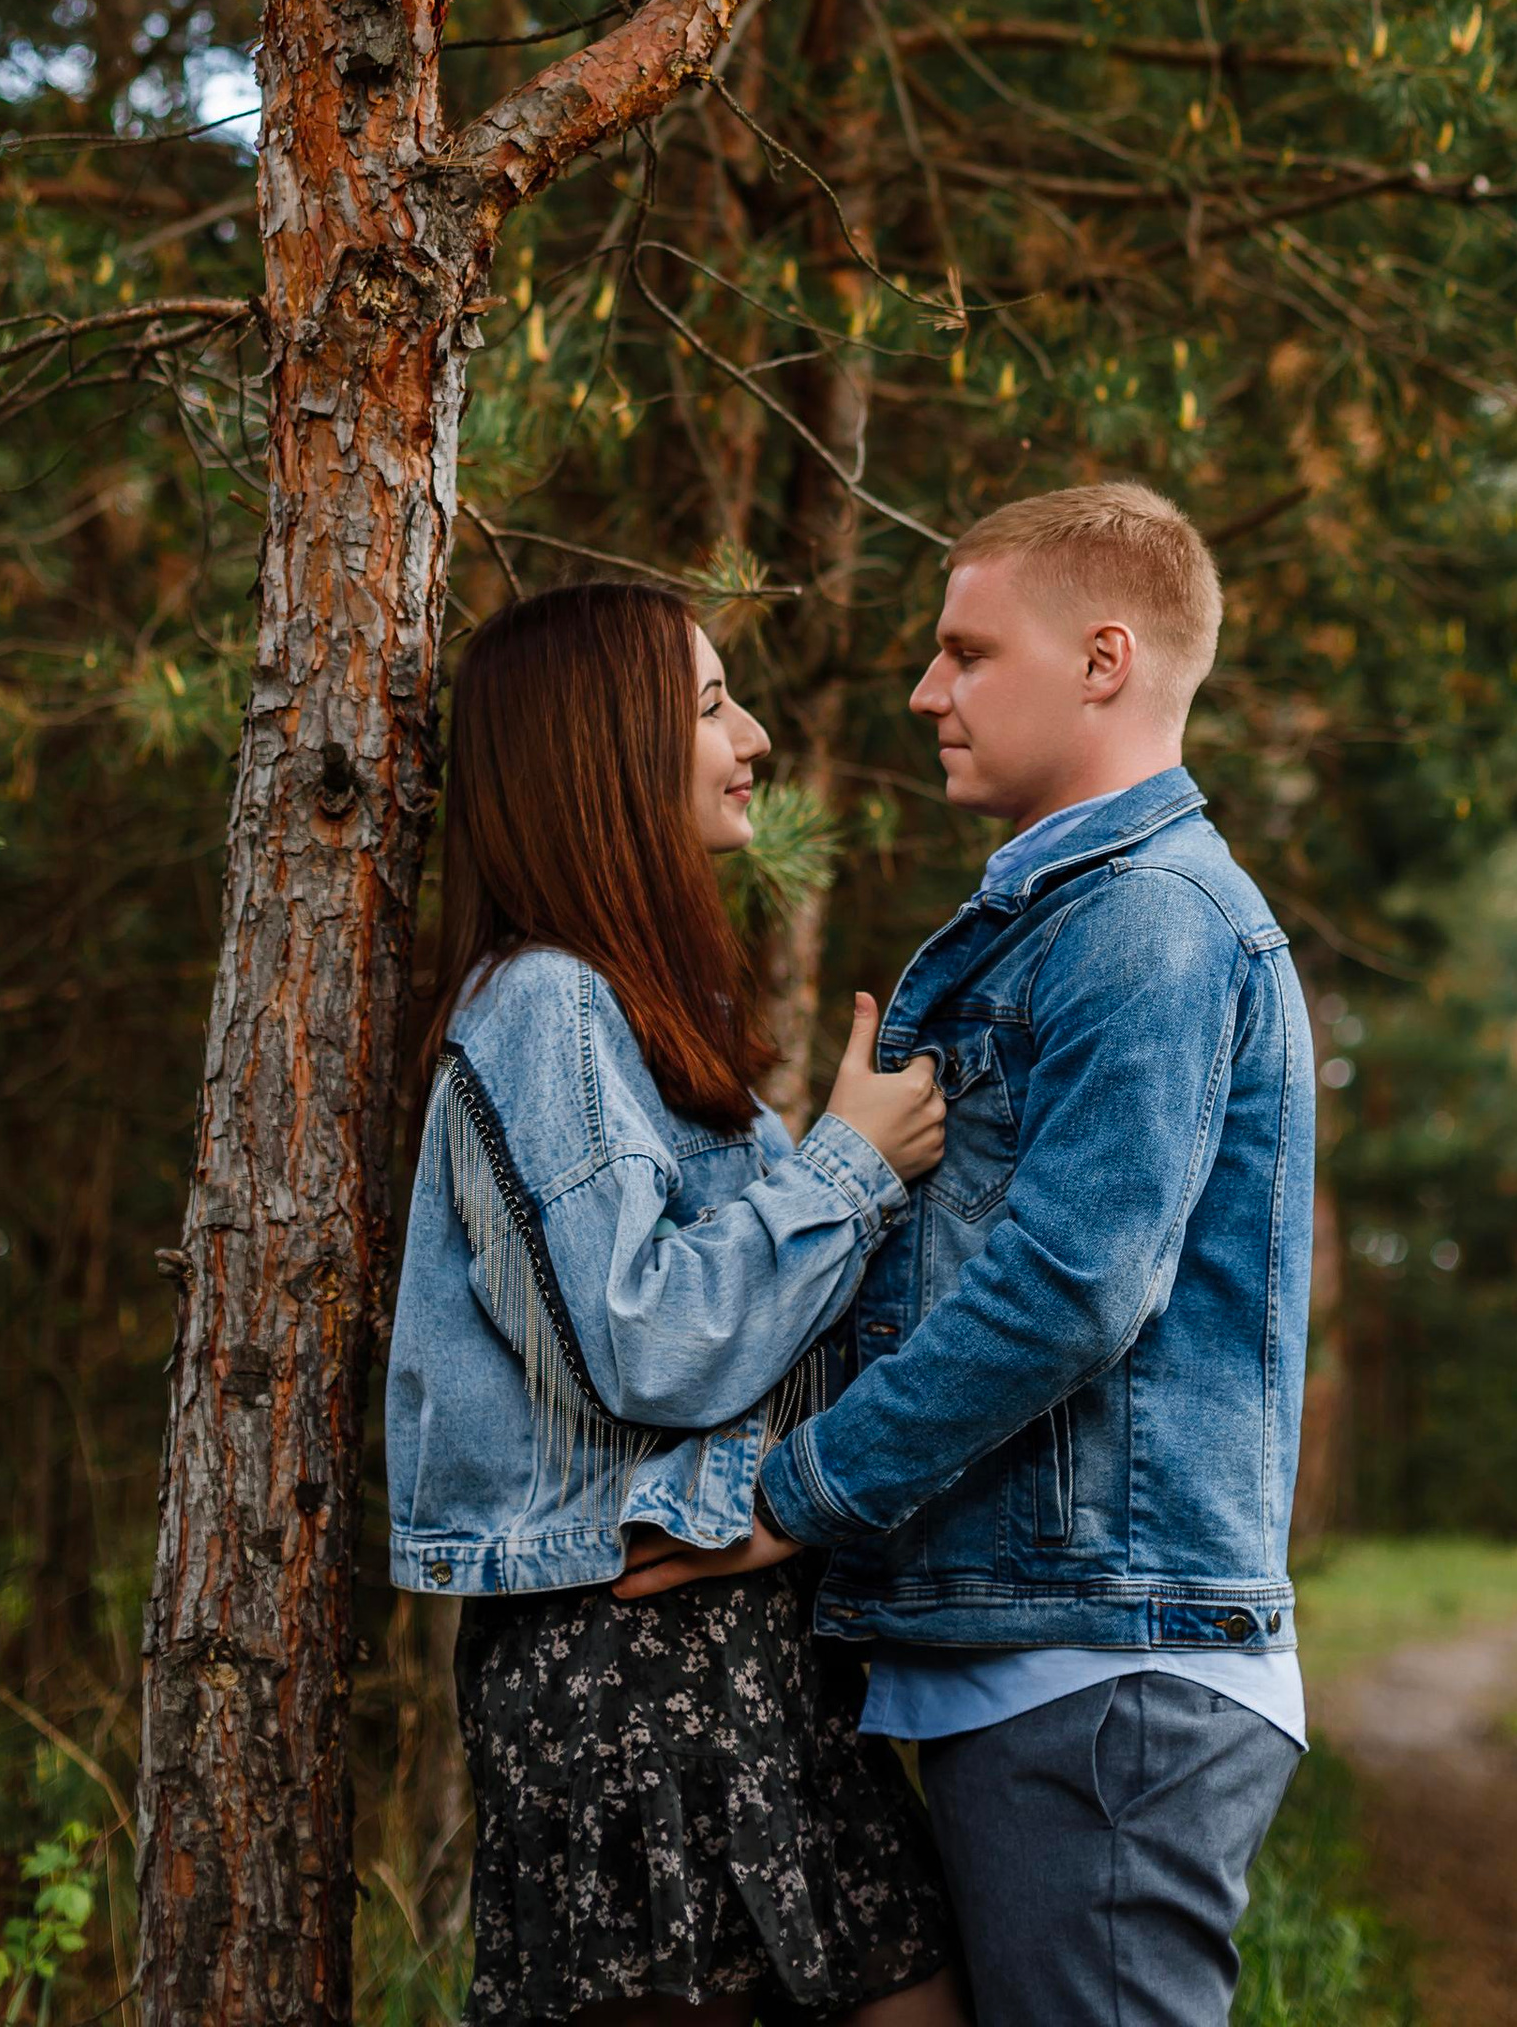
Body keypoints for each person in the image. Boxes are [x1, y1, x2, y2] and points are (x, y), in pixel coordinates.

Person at [653, 481, 1318, 2027]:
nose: (924, 692)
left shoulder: (1146, 921)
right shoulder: (1066, 917)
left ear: (1101, 660)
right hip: (1052, 1649)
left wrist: (795, 1496)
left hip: (1104, 1669)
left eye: (966, 652)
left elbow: (1072, 1288)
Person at [385, 576, 967, 2027]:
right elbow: (643, 1334)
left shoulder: (641, 1013)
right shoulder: (540, 1006)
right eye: (712, 705)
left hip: (749, 1644)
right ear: (605, 749)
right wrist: (847, 1168)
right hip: (624, 1676)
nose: (754, 735)